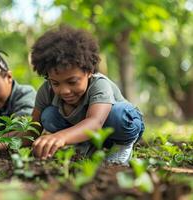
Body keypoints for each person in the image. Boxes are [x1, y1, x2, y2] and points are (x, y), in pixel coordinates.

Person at [30, 26, 145, 165]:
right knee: (48, 115)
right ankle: (84, 147)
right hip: (88, 134)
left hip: (118, 126)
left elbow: (95, 122)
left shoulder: (99, 84)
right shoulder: (46, 90)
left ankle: (122, 147)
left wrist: (61, 137)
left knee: (119, 115)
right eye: (55, 83)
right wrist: (2, 143)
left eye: (72, 81)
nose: (64, 90)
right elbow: (33, 127)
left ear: (89, 71)